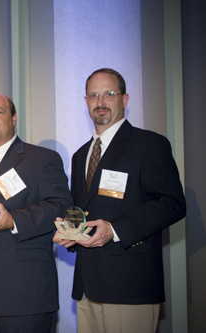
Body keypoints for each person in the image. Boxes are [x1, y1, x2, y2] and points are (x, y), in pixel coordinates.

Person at [54, 68, 186, 333]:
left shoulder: (149, 144)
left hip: (130, 284)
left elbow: (172, 204)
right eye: (93, 95)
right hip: (86, 287)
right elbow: (84, 210)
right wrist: (71, 234)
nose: (100, 102)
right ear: (86, 102)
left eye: (109, 94)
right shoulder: (81, 155)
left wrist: (114, 230)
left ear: (124, 99)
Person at [0, 92, 73, 332]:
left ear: (14, 118)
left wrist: (14, 221)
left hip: (25, 291)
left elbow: (60, 205)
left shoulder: (42, 159)